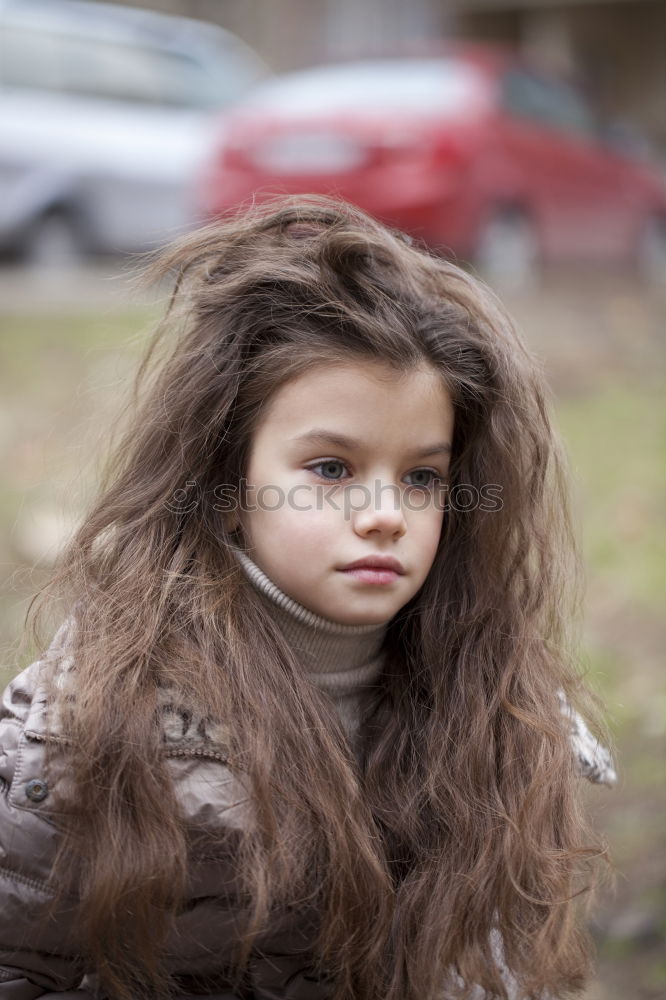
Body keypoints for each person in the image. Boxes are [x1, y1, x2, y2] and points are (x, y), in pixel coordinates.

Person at [0, 195, 615, 1000]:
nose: (386, 514)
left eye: (422, 477)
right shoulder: (92, 723)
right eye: (331, 469)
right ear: (227, 484)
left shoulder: (495, 710)